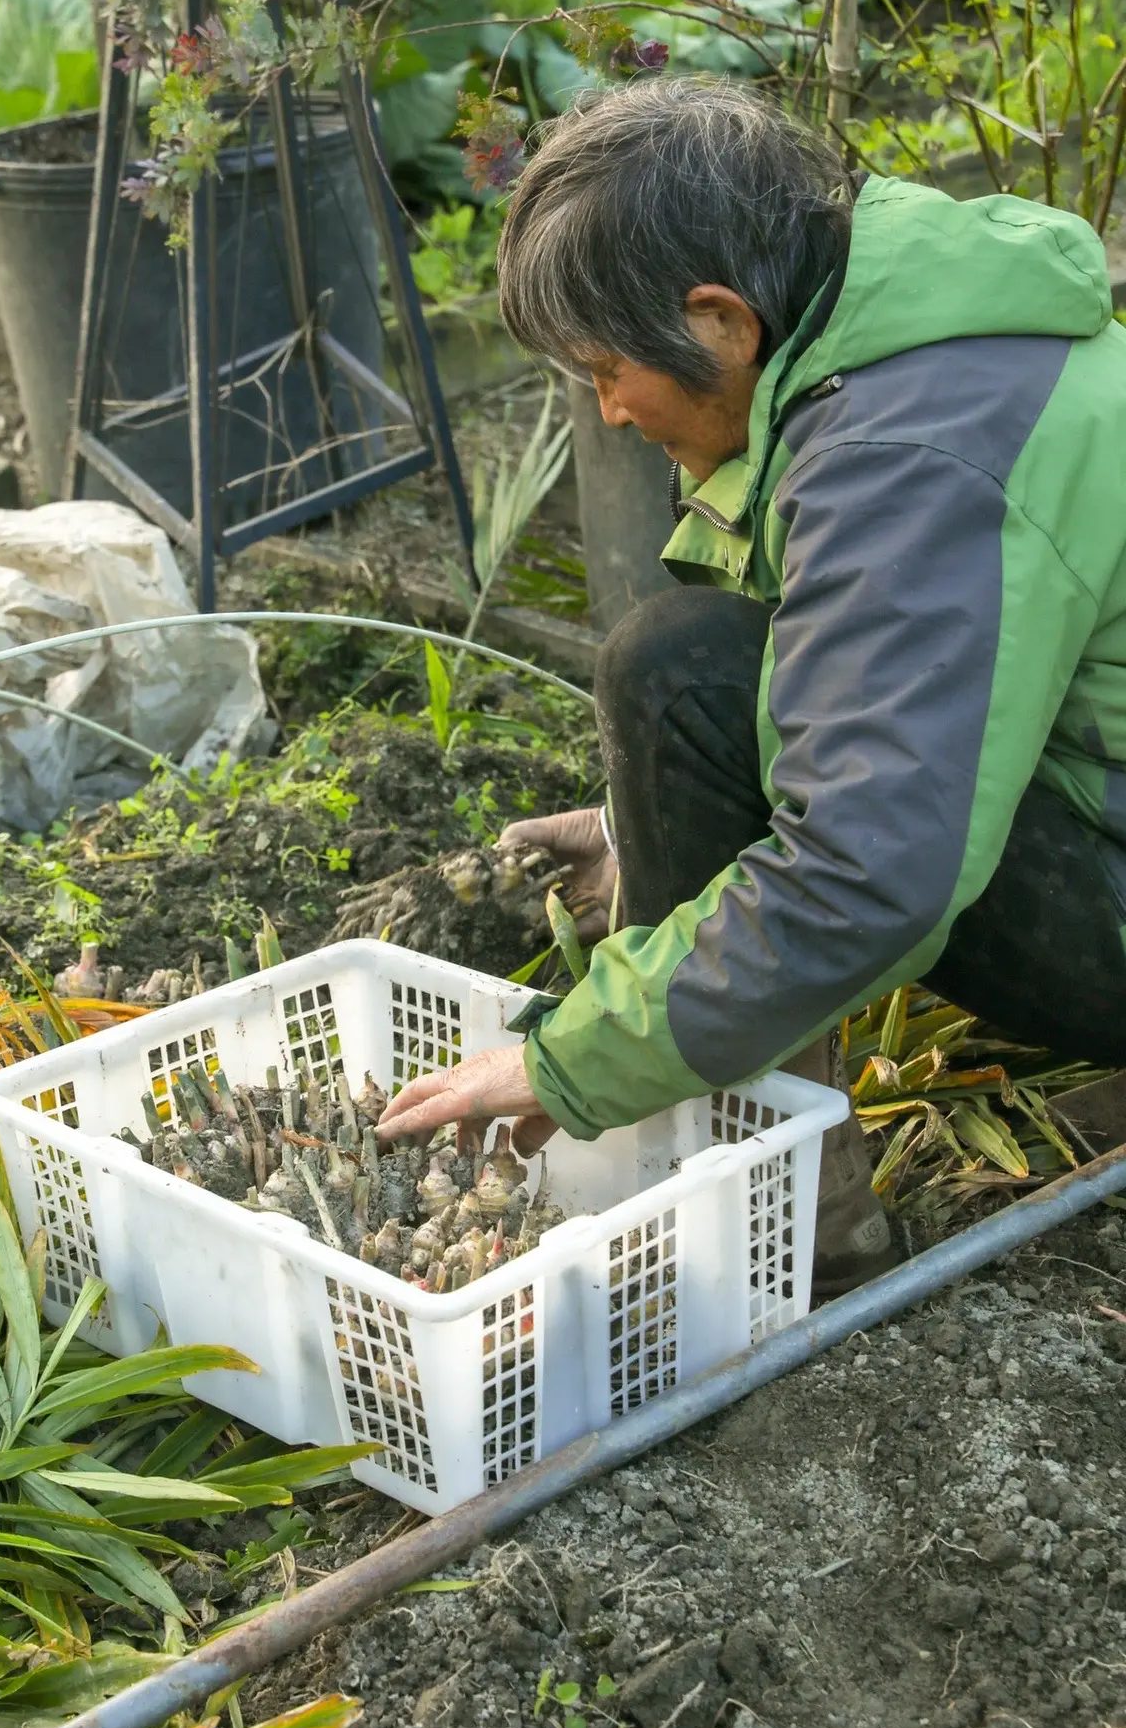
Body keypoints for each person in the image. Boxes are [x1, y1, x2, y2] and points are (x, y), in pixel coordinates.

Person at [375, 74, 1126, 1293]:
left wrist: (566, 1060)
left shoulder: (905, 458)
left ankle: (791, 1232)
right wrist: (648, 824)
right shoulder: (920, 330)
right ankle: (762, 1165)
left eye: (608, 369)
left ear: (720, 320)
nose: (611, 413)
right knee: (693, 672)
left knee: (681, 675)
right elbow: (881, 672)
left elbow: (870, 873)